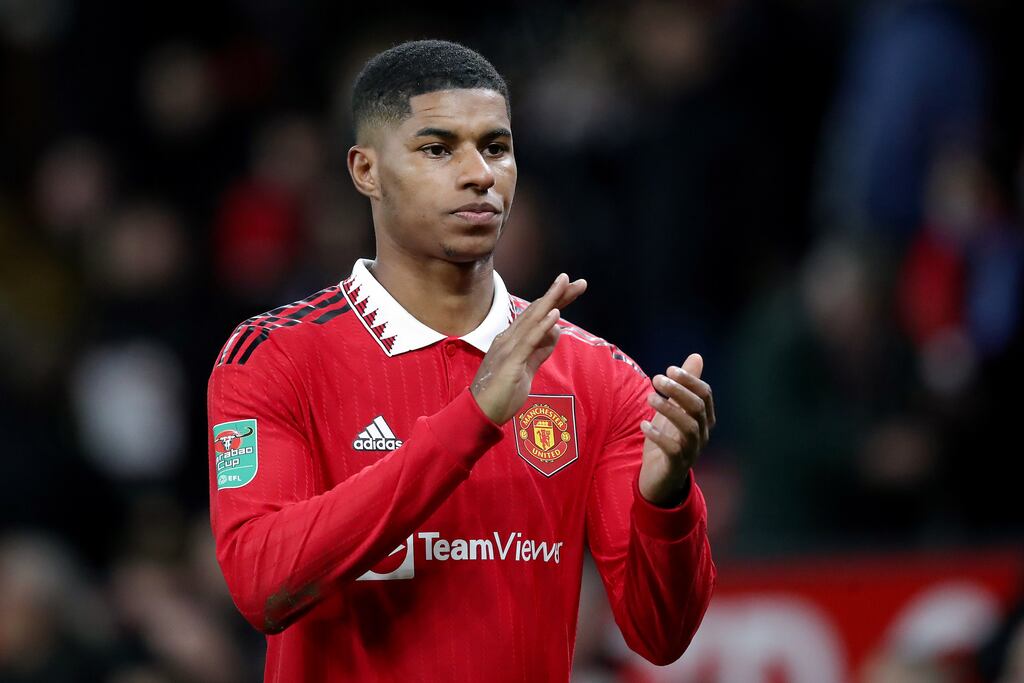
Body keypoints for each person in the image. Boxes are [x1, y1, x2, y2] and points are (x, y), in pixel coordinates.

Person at [207, 39, 716, 682]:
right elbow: (262, 583)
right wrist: (470, 419)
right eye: (437, 149)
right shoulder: (271, 357)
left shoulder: (598, 376)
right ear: (366, 171)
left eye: (495, 147)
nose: (479, 173)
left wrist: (668, 504)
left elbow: (661, 636)